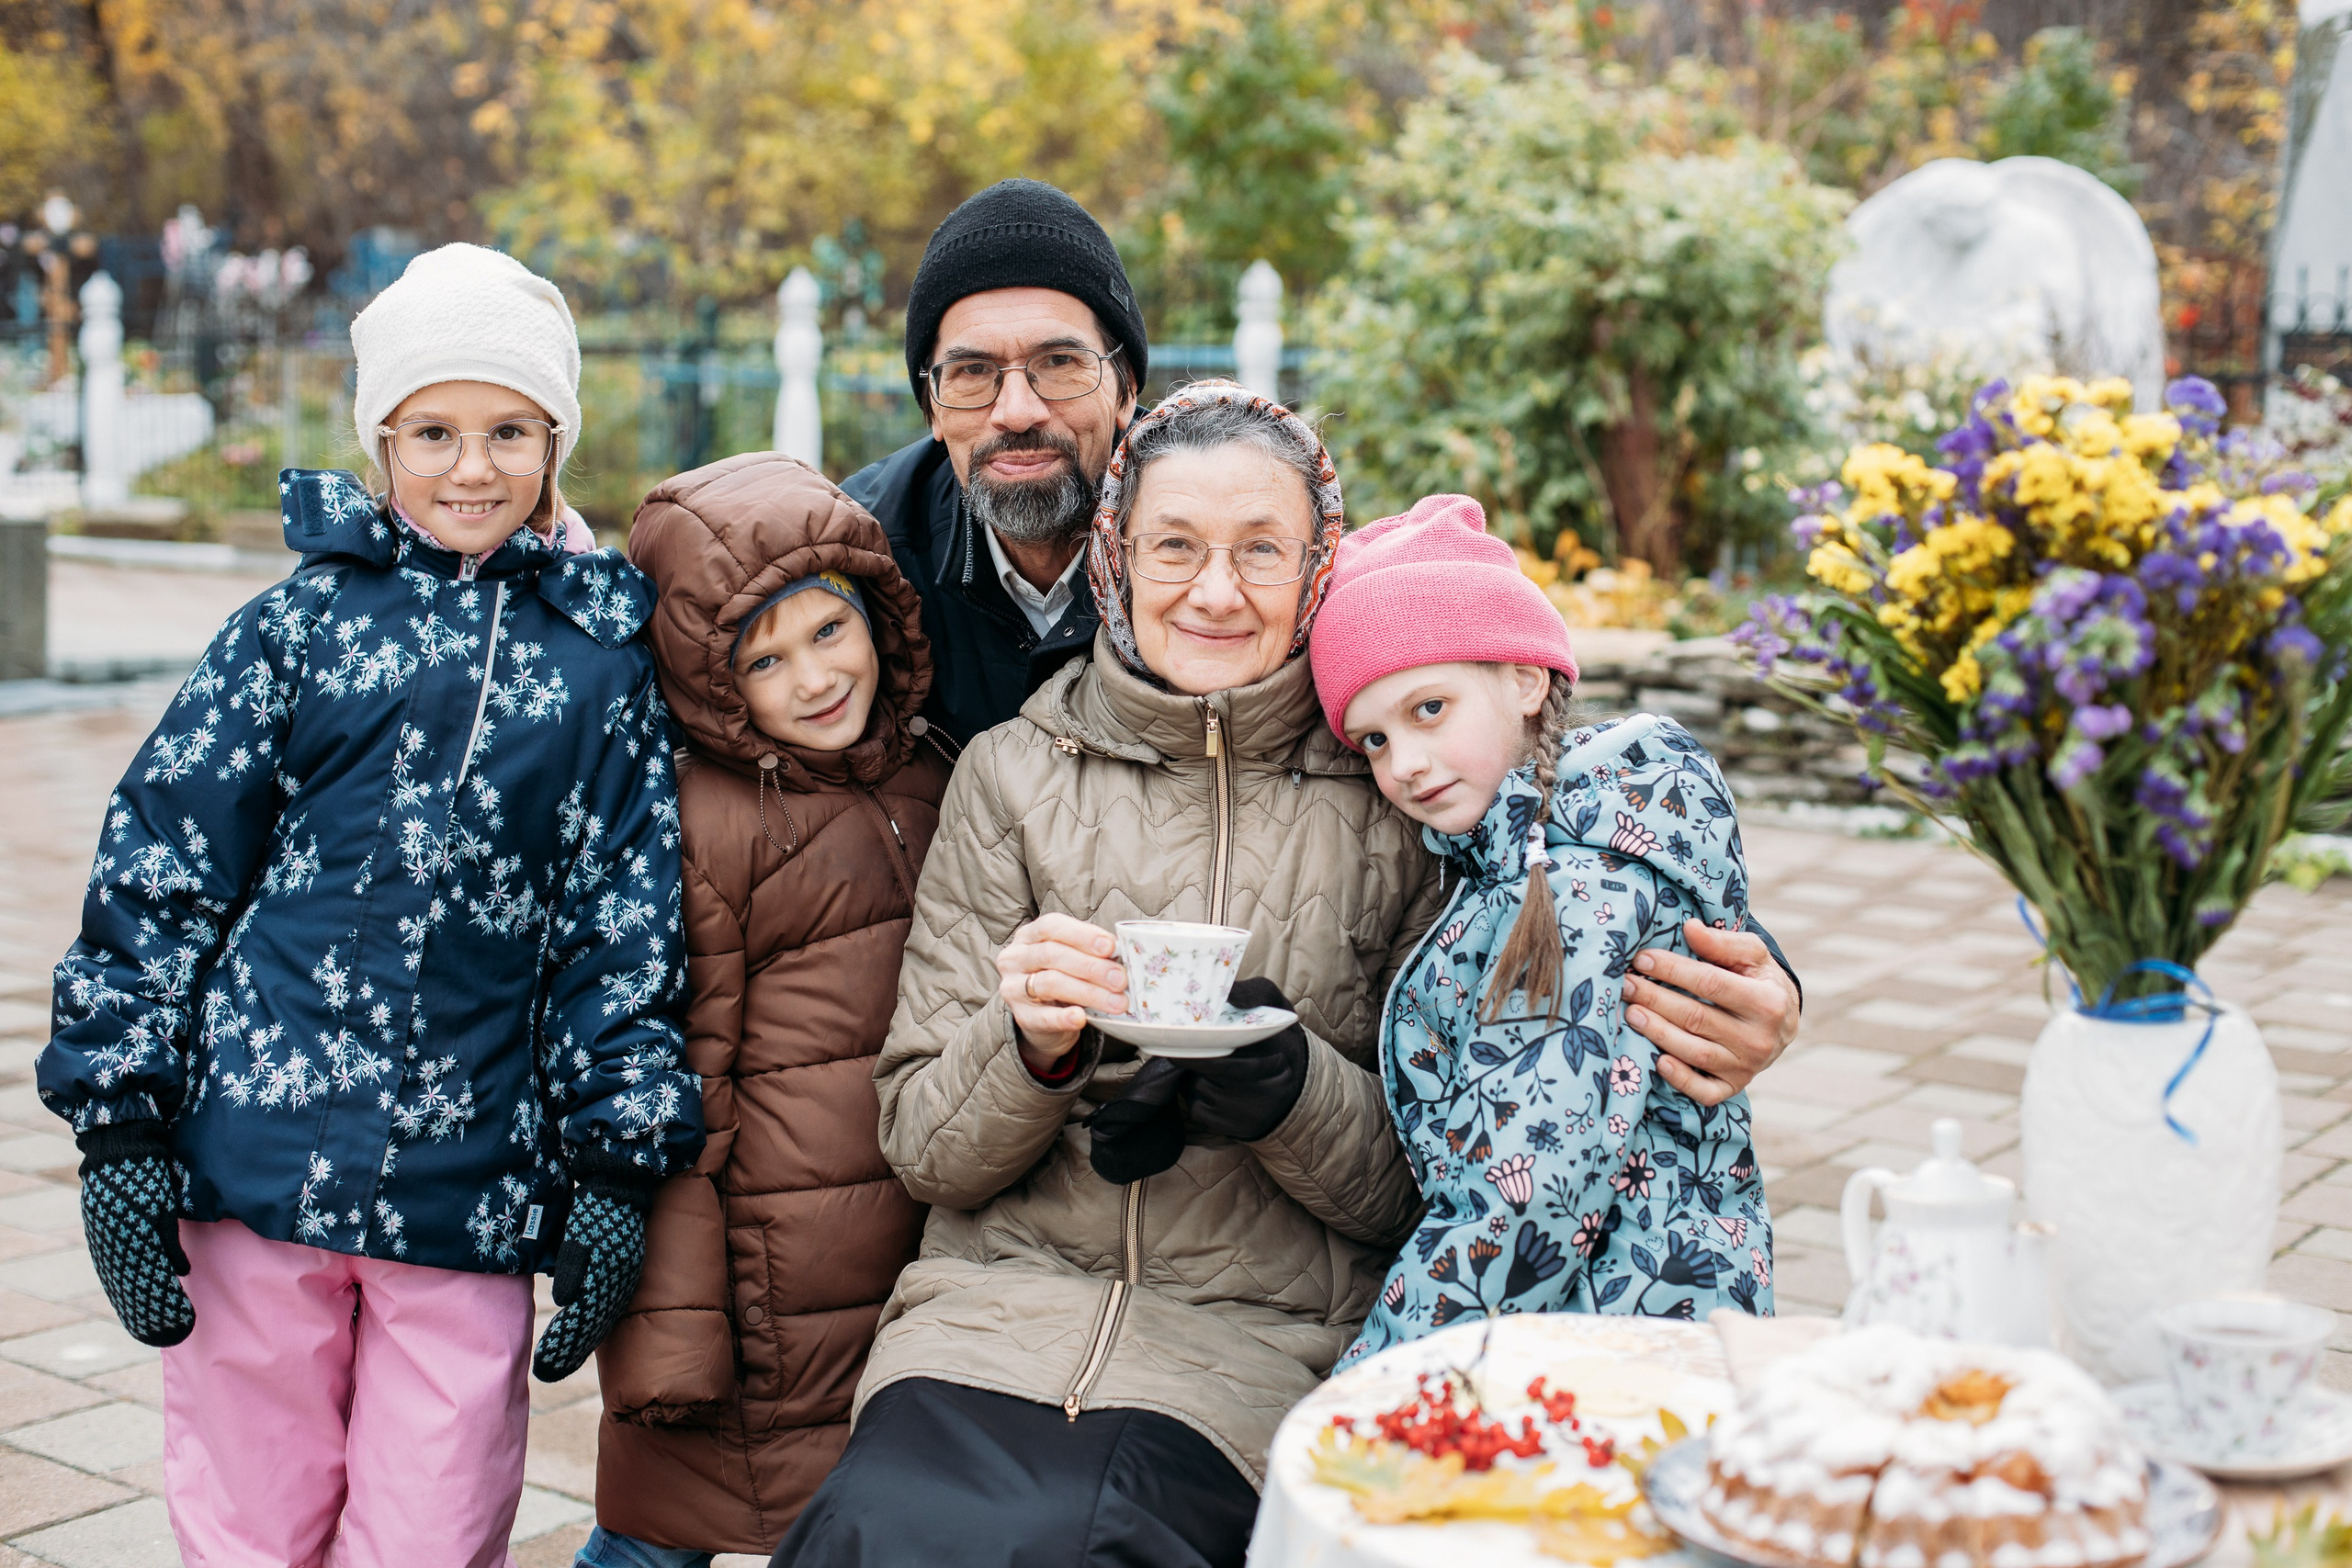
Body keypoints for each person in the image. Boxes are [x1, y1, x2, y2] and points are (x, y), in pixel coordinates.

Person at [844, 175, 1802, 1111]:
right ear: (931, 403)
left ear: (1125, 386)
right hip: (944, 1002)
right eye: (972, 373)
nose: (1017, 408)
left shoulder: (1251, 555)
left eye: (1060, 364)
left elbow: (1506, 738)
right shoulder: (854, 568)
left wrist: (1738, 958)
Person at [40, 243, 704, 1567]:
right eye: (436, 431)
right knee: (248, 1510)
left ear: (556, 440)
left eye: (510, 430)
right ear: (381, 440)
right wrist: (120, 1124)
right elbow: (161, 864)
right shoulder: (297, 629)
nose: (473, 468)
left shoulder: (596, 671)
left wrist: (619, 1166)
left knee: (435, 1520)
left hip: (467, 1187)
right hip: (253, 1160)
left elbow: (620, 931)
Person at [773, 383, 1435, 1568]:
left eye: (1261, 551)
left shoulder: (1394, 794)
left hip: (1259, 1348)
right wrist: (1025, 1048)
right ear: (1115, 556)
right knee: (873, 1536)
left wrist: (1291, 1091)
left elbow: (1424, 1191)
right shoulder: (1011, 774)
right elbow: (924, 1145)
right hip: (989, 1322)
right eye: (1175, 546)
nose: (1215, 591)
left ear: (1320, 562)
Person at [573, 453, 951, 1565]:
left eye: (829, 631)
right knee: (668, 1531)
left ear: (880, 612)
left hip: (889, 1250)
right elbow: (681, 1079)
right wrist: (670, 1339)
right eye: (763, 659)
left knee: (847, 1517)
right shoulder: (709, 823)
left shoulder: (934, 769)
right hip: (754, 1285)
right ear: (706, 678)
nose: (813, 678)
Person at [1310, 496, 1772, 1365]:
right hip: (1641, 1301)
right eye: (1371, 738)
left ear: (1525, 680)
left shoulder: (1571, 891)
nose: (1402, 762)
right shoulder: (1549, 844)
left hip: (1609, 1334)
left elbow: (1528, 1195)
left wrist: (1381, 1375)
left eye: (1429, 709)